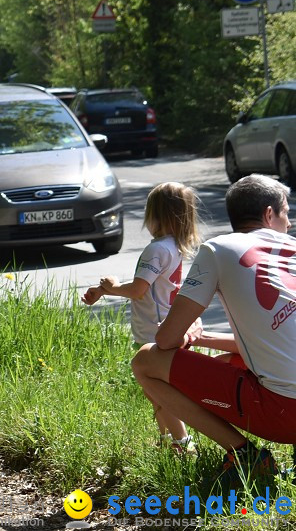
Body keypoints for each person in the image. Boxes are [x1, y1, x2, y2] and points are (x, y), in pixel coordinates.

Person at [132, 174, 296, 489]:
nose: (289, 223)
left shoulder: (218, 249)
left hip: (285, 414)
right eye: (286, 213)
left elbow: (165, 341)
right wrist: (203, 337)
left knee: (145, 362)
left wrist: (188, 330)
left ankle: (245, 455)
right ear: (268, 215)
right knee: (226, 361)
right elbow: (271, 344)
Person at [81, 182, 207, 451]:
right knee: (156, 392)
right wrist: (105, 291)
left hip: (154, 332)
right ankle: (167, 441)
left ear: (156, 216)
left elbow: (139, 290)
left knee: (159, 393)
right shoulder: (173, 246)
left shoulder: (157, 249)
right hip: (163, 329)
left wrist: (111, 286)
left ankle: (182, 444)